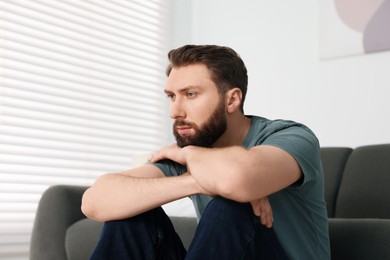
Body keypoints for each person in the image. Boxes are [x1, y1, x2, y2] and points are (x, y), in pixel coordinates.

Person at [81, 44, 330, 259]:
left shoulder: (292, 137)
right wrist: (197, 182)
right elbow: (95, 201)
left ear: (232, 100)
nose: (175, 112)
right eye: (171, 96)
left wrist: (190, 157)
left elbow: (238, 179)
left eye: (190, 94)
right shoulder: (193, 152)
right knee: (130, 215)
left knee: (231, 205)